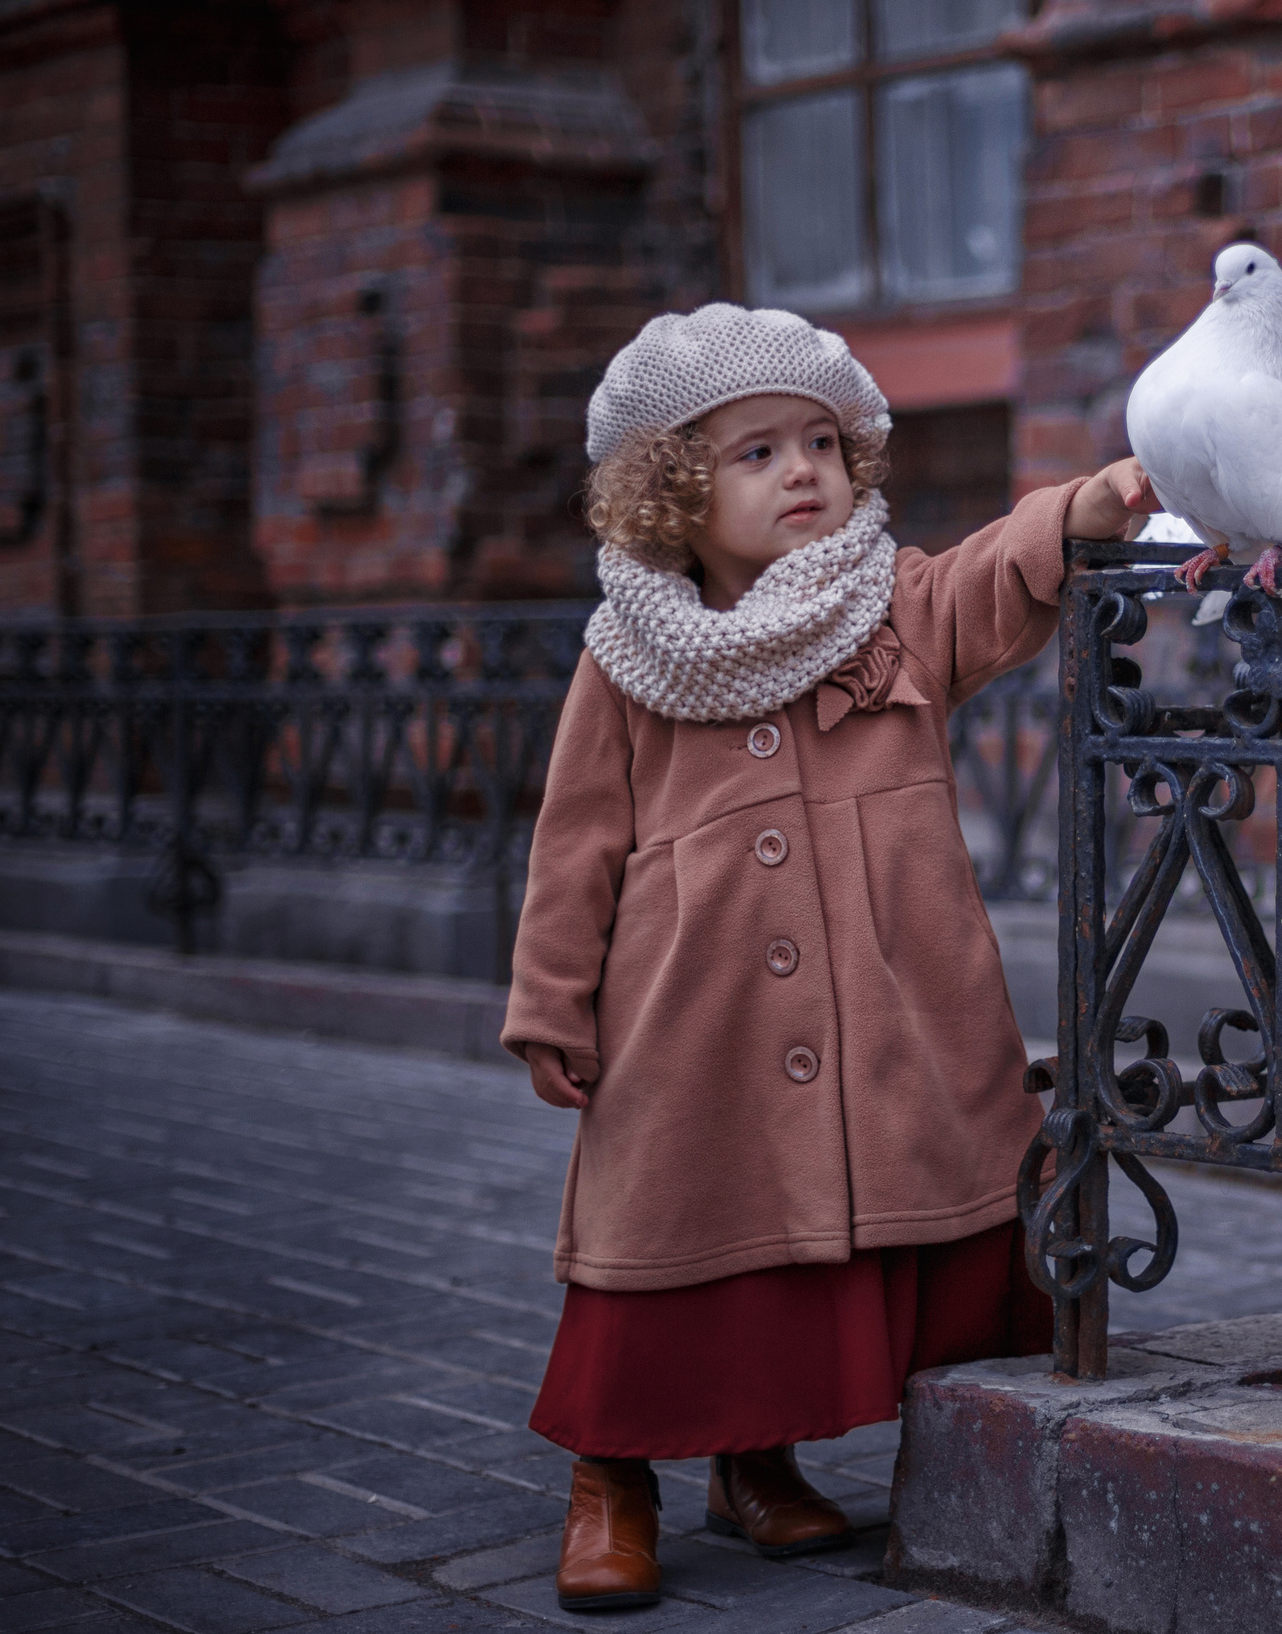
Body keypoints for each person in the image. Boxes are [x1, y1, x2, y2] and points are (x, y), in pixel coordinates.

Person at [503, 303, 1153, 1610]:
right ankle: (609, 1476)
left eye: (820, 442)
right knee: (682, 1229)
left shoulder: (889, 607)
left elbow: (988, 578)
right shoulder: (627, 654)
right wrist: (551, 1005)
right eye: (756, 453)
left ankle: (756, 1462)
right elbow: (576, 841)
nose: (803, 470)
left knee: (846, 1225)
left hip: (886, 998)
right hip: (692, 1019)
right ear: (674, 490)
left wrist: (1085, 504)